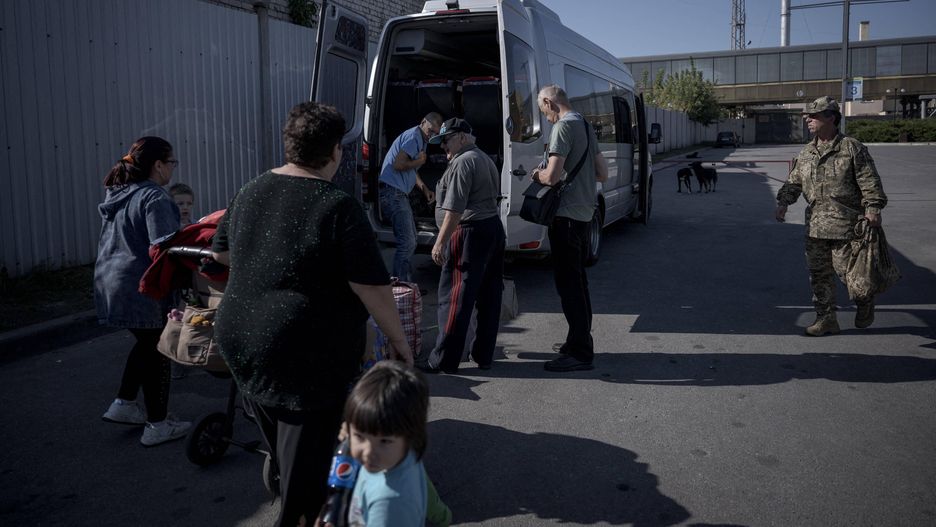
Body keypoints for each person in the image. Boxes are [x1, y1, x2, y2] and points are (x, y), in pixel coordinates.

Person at [211, 101, 414, 527]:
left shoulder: (250, 189)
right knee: (308, 479)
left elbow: (222, 253)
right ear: (336, 151)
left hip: (240, 340)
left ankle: (294, 487)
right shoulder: (337, 205)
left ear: (290, 145)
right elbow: (372, 287)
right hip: (305, 352)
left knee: (287, 445)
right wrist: (399, 341)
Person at [95, 136, 193, 446]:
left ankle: (123, 403)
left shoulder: (121, 193)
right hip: (140, 287)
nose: (173, 169)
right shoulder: (154, 197)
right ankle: (158, 424)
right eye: (171, 162)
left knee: (146, 343)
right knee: (158, 350)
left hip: (110, 282)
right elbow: (164, 247)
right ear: (158, 165)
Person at [776, 96, 888, 336]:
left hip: (847, 225)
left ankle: (864, 301)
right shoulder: (807, 152)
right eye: (808, 115)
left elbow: (869, 181)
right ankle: (826, 318)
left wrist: (873, 208)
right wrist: (783, 202)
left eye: (814, 115)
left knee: (849, 274)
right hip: (815, 226)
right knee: (818, 274)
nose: (808, 119)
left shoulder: (851, 148)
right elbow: (794, 181)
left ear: (831, 117)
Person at [533, 84, 608, 372]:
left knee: (569, 287)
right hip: (585, 214)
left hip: (564, 217)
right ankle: (577, 340)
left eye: (544, 111)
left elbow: (551, 176)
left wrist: (537, 175)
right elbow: (603, 172)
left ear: (551, 102)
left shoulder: (563, 128)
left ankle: (579, 352)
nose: (546, 118)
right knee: (579, 283)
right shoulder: (586, 127)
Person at [421, 118, 505, 374]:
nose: (443, 147)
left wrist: (440, 242)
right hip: (491, 228)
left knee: (454, 298)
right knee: (488, 296)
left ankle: (444, 360)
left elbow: (455, 210)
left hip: (469, 232)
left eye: (446, 141)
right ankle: (483, 355)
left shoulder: (463, 161)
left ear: (462, 137)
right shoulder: (482, 158)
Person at [342, 361, 443, 527]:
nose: (367, 452)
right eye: (359, 436)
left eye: (384, 441)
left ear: (411, 435)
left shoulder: (388, 505)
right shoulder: (403, 453)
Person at [378, 113, 443, 282]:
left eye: (435, 133)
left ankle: (403, 283)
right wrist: (419, 162)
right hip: (394, 193)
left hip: (398, 193)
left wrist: (424, 189)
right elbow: (399, 164)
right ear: (422, 122)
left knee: (411, 240)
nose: (431, 135)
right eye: (430, 131)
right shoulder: (414, 136)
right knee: (407, 242)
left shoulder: (421, 140)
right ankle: (400, 285)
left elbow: (411, 170)